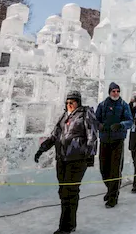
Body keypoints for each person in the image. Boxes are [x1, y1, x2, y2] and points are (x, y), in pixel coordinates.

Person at [34, 90, 98, 234]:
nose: (69, 104)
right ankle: (70, 223)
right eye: (67, 102)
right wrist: (42, 149)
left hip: (77, 159)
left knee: (70, 191)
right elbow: (54, 135)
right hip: (62, 159)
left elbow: (92, 136)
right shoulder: (64, 116)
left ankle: (66, 227)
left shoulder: (85, 114)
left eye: (72, 102)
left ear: (78, 102)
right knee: (63, 191)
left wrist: (89, 156)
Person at [95, 82, 133, 208]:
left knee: (115, 170)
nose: (116, 93)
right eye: (113, 91)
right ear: (109, 92)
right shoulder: (102, 105)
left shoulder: (123, 105)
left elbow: (130, 121)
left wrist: (121, 125)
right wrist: (99, 125)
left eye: (117, 91)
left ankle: (113, 197)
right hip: (105, 140)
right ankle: (110, 189)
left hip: (118, 141)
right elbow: (96, 120)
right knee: (104, 169)